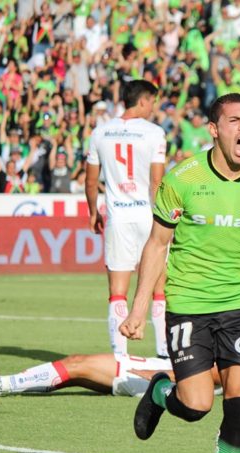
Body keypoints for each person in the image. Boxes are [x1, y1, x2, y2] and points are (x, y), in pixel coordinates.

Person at [119, 93, 240, 453]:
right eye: (235, 120)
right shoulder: (183, 179)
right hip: (189, 304)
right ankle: (161, 392)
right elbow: (157, 244)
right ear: (213, 129)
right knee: (196, 405)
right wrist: (138, 309)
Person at [85, 79, 169, 359]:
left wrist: (93, 212)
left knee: (117, 291)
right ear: (143, 101)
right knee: (159, 287)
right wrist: (164, 218)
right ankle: (163, 352)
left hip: (118, 217)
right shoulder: (155, 133)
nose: (153, 107)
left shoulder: (100, 132)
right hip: (149, 216)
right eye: (152, 102)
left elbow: (90, 181)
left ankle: (120, 357)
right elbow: (156, 182)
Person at [0, 353, 222, 399]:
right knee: (74, 375)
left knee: (76, 364)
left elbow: (209, 375)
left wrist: (159, 373)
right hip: (162, 369)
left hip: (156, 377)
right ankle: (2, 385)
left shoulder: (234, 355)